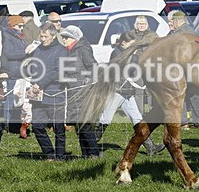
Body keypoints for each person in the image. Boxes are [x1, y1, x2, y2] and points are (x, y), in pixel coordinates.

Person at [98, 30, 165, 155]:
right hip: (117, 92)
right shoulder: (116, 53)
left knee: (137, 119)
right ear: (123, 43)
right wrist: (133, 58)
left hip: (128, 92)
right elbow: (119, 70)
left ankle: (150, 147)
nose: (134, 46)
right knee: (105, 119)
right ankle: (90, 146)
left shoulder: (131, 54)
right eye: (131, 44)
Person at [27, 23, 68, 160]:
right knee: (37, 126)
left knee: (58, 128)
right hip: (38, 95)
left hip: (55, 94)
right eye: (41, 36)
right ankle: (49, 153)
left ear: (53, 36)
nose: (43, 39)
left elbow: (58, 71)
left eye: (45, 36)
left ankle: (60, 156)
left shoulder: (62, 51)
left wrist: (40, 83)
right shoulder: (38, 49)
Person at [60, 25, 100, 159]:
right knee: (79, 125)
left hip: (83, 92)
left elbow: (93, 66)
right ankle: (85, 154)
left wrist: (88, 81)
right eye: (63, 37)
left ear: (74, 38)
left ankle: (94, 153)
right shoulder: (69, 51)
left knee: (85, 124)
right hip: (73, 91)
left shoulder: (82, 49)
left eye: (66, 37)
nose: (64, 39)